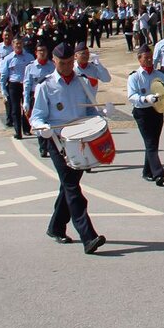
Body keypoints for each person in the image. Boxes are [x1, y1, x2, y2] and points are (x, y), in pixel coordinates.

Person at [29, 42, 107, 254]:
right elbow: (36, 115)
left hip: (80, 141)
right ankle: (88, 236)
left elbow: (91, 111)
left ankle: (55, 227)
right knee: (73, 189)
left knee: (68, 185)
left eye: (69, 62)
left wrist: (100, 116)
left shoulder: (82, 82)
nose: (65, 67)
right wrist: (41, 127)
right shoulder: (45, 85)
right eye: (61, 63)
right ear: (54, 62)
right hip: (57, 141)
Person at [128, 44, 164, 186]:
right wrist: (145, 98)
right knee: (150, 142)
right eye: (146, 58)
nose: (149, 60)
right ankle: (158, 173)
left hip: (157, 111)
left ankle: (147, 171)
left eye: (150, 57)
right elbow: (132, 96)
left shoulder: (159, 75)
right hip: (142, 112)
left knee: (153, 142)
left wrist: (163, 95)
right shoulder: (134, 77)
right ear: (139, 59)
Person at [22, 43, 56, 157]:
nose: (42, 53)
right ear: (36, 53)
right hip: (35, 97)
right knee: (39, 121)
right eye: (39, 50)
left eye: (44, 50)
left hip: (49, 96)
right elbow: (27, 85)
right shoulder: (30, 67)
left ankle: (50, 145)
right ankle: (43, 147)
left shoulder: (52, 66)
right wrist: (26, 101)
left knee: (50, 120)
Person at [0, 37, 34, 140]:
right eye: (16, 44)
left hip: (26, 85)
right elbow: (4, 75)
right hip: (13, 85)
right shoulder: (8, 58)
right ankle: (18, 131)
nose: (18, 46)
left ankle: (26, 129)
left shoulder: (29, 57)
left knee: (27, 107)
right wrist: (3, 89)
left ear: (23, 44)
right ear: (13, 45)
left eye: (20, 43)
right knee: (15, 109)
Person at [0, 29, 14, 127]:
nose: (7, 37)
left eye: (9, 35)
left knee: (15, 99)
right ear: (2, 36)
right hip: (3, 76)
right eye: (5, 35)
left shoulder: (15, 46)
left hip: (14, 75)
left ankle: (14, 117)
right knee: (6, 97)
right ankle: (9, 118)